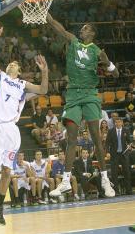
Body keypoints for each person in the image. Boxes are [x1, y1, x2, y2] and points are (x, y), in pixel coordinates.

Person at [47, 13, 119, 198]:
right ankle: (65, 182)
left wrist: (108, 64)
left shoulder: (97, 51)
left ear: (92, 33)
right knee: (71, 140)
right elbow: (58, 27)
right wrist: (44, 12)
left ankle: (104, 179)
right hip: (73, 95)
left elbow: (116, 74)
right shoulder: (73, 41)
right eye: (82, 27)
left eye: (86, 28)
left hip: (89, 94)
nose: (82, 29)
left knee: (96, 138)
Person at [0, 22, 48, 225]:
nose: (12, 63)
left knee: (7, 171)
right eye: (10, 63)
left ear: (19, 71)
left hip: (11, 129)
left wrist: (44, 71)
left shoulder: (22, 85)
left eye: (16, 64)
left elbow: (43, 90)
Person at [106, 117, 132, 195]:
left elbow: (129, 141)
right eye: (116, 122)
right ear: (115, 123)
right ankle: (116, 191)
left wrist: (130, 146)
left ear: (122, 123)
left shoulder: (126, 130)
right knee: (114, 173)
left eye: (119, 122)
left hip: (124, 154)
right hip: (114, 154)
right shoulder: (111, 131)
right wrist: (107, 152)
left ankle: (129, 190)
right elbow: (107, 143)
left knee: (127, 172)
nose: (118, 123)